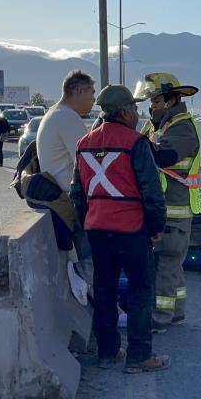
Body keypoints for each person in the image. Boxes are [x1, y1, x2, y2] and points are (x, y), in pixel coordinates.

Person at [70, 85, 169, 373]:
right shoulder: (135, 142)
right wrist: (156, 226)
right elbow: (152, 191)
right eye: (135, 109)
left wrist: (89, 220)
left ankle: (108, 352)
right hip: (130, 228)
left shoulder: (84, 143)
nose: (138, 114)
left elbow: (77, 192)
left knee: (104, 289)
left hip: (97, 229)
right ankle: (139, 356)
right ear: (124, 112)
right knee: (140, 290)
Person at [134, 72, 201, 333]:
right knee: (172, 266)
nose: (151, 106)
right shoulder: (158, 126)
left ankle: (160, 317)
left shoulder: (181, 127)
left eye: (155, 101)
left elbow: (163, 157)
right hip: (163, 209)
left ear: (171, 100)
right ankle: (176, 311)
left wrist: (135, 144)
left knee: (166, 265)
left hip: (174, 211)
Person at [37, 70, 95, 263]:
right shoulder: (67, 117)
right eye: (91, 93)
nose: (93, 99)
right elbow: (89, 165)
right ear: (78, 91)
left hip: (60, 198)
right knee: (90, 264)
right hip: (71, 202)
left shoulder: (55, 113)